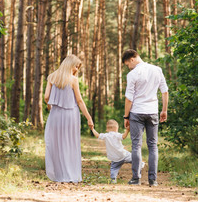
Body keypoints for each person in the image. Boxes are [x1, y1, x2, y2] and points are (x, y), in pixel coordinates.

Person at [122, 49, 169, 187]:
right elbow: (165, 91)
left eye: (127, 64)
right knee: (153, 146)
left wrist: (126, 116)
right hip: (153, 111)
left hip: (137, 112)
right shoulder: (157, 70)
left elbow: (129, 98)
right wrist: (164, 110)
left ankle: (136, 178)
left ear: (132, 59)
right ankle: (153, 180)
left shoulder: (132, 74)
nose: (128, 67)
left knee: (136, 145)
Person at [44, 54, 94, 183]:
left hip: (55, 114)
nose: (77, 69)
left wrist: (51, 108)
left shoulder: (52, 77)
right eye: (76, 66)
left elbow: (46, 97)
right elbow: (79, 101)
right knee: (70, 144)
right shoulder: (73, 80)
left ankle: (59, 175)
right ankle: (70, 174)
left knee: (57, 144)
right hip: (70, 114)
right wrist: (89, 118)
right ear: (69, 65)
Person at [91, 119, 144, 184]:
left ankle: (113, 179)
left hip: (115, 158)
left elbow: (97, 135)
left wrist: (92, 129)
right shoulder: (117, 135)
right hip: (123, 154)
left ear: (107, 129)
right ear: (116, 128)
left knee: (113, 168)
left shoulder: (106, 136)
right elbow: (123, 136)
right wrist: (127, 130)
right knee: (134, 158)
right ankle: (140, 164)